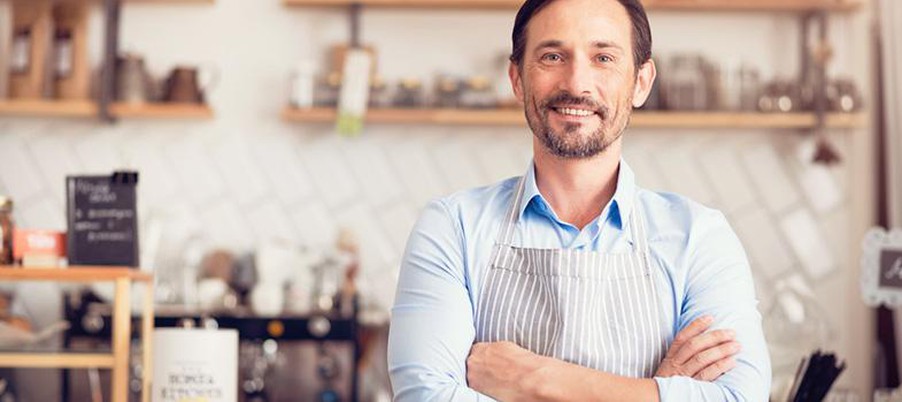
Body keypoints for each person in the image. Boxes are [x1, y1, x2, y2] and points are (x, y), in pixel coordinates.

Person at [387, 0, 771, 400]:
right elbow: (424, 397)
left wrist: (533, 379)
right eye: (553, 56)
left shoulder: (699, 238)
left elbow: (739, 398)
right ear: (517, 78)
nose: (576, 83)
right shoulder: (453, 228)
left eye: (603, 57)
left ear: (641, 82)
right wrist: (653, 390)